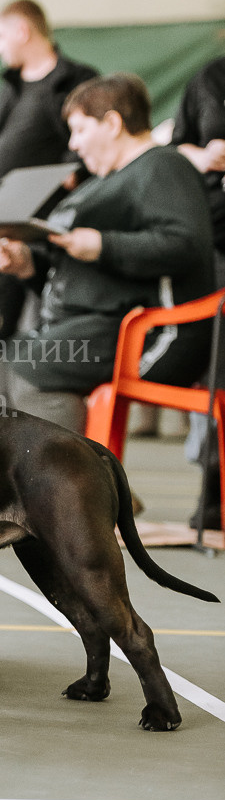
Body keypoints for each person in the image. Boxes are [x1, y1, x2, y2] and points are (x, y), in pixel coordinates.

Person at [0, 73, 215, 432]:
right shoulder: (103, 181)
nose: (74, 145)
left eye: (79, 130)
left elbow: (184, 244)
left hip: (154, 331)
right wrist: (27, 263)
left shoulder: (162, 166)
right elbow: (80, 270)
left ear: (112, 123)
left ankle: (74, 483)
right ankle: (43, 483)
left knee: (31, 369)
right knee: (2, 366)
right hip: (96, 325)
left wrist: (101, 245)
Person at [0, 0, 98, 340]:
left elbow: (90, 146)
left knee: (38, 329)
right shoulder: (9, 87)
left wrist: (73, 173)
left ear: (23, 30)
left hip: (45, 233)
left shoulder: (77, 81)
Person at [171, 56, 225, 529]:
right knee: (218, 374)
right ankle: (214, 496)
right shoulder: (209, 77)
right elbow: (175, 149)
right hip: (217, 246)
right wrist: (203, 156)